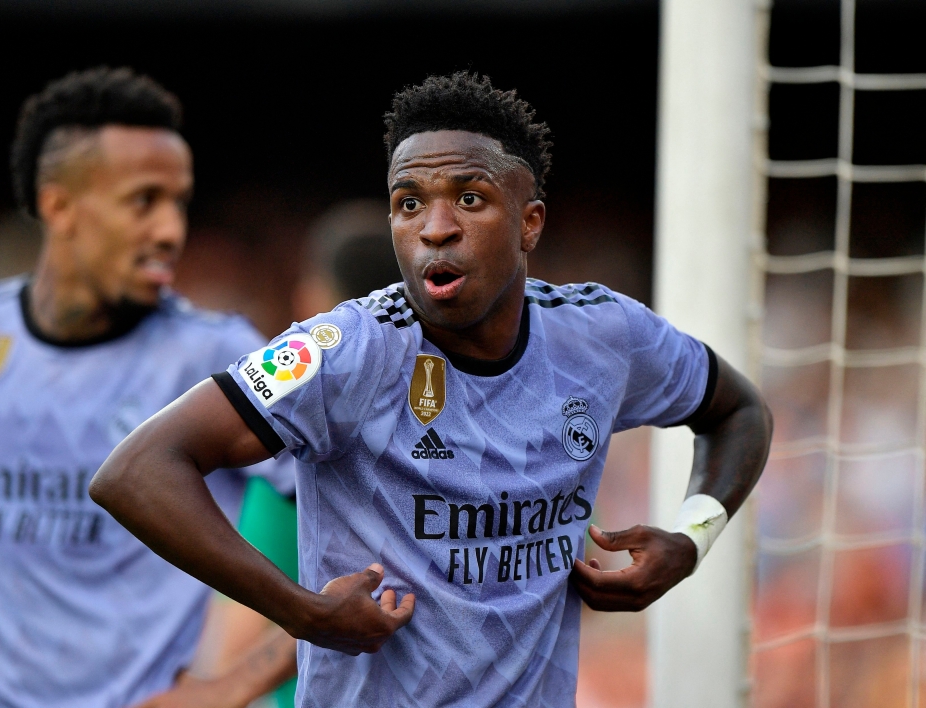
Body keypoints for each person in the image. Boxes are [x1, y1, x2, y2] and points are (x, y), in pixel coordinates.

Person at [90, 72, 774, 706]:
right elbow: (134, 471)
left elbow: (739, 410)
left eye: (469, 200)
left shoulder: (605, 336)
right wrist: (303, 611)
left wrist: (692, 538)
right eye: (408, 203)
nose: (434, 227)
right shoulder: (340, 351)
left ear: (530, 222)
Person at [0, 67, 294, 707]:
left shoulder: (218, 353)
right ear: (58, 205)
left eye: (179, 203)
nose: (171, 231)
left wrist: (231, 687)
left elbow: (376, 533)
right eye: (144, 200)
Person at [142, 199, 401, 708]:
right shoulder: (484, 435)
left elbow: (236, 643)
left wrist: (219, 689)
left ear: (316, 299)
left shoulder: (301, 454)